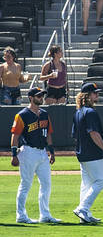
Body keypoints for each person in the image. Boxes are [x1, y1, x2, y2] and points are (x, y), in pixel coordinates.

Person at [11, 86, 58, 224]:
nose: (41, 98)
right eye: (38, 96)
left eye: (42, 96)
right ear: (31, 98)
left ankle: (45, 214)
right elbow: (15, 136)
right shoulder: (22, 115)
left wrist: (52, 152)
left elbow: (48, 134)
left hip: (42, 152)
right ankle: (21, 215)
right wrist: (14, 154)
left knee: (46, 184)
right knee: (26, 184)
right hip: (28, 151)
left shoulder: (44, 114)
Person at [72, 82, 103, 224]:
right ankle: (82, 208)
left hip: (82, 153)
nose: (97, 95)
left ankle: (85, 214)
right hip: (92, 153)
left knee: (87, 184)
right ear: (87, 96)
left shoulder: (78, 112)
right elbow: (94, 133)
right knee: (100, 182)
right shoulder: (90, 112)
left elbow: (74, 135)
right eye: (95, 93)